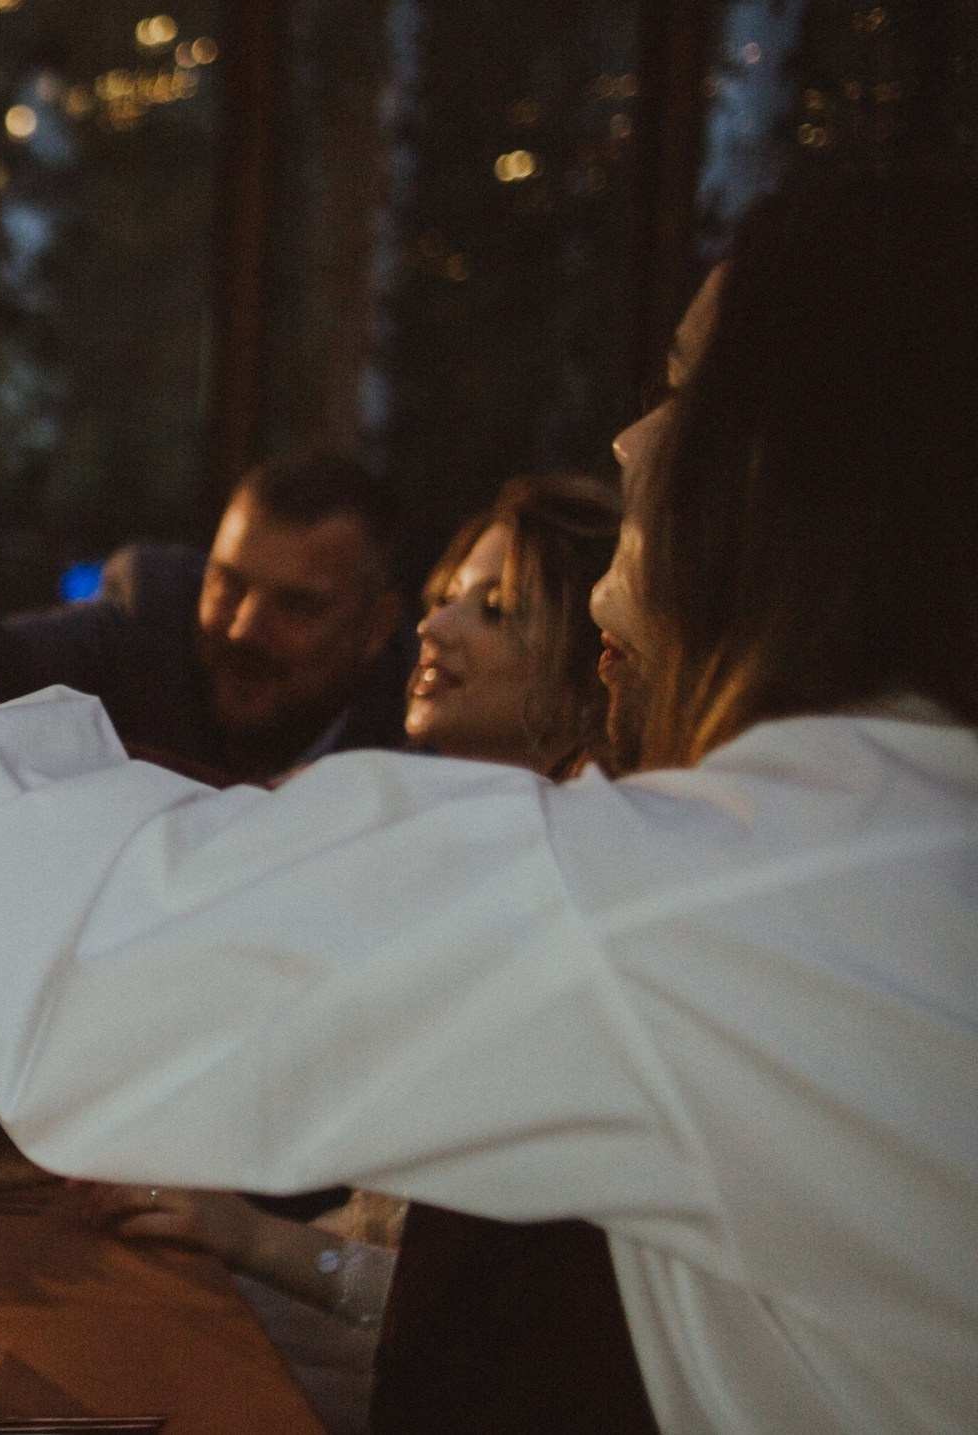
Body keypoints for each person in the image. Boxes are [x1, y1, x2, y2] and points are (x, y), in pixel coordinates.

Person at [0, 171, 978, 1433]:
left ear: (808, 469)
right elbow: (212, 854)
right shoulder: (893, 835)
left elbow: (143, 959)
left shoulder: (744, 888)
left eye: (686, 392)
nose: (632, 444)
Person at [101, 472, 620, 1435]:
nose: (440, 628)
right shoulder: (446, 838)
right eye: (444, 598)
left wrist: (242, 1233)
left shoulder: (571, 911)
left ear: (596, 666)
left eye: (495, 611)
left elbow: (463, 1311)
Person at [0, 453, 411, 783]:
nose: (242, 629)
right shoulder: (155, 620)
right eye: (228, 584)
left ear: (377, 627)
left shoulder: (419, 736)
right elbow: (0, 654)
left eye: (297, 605)